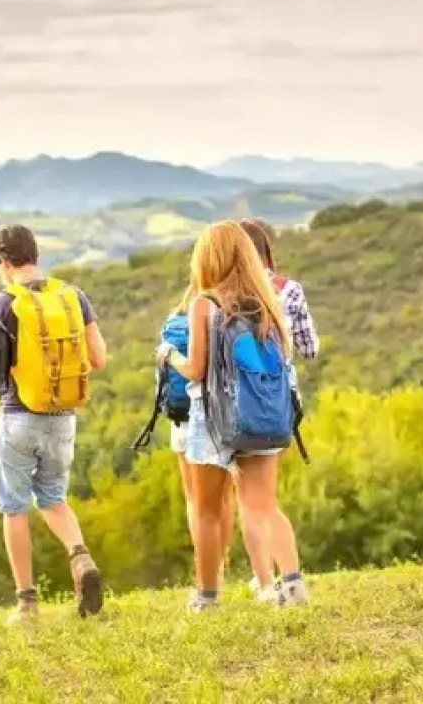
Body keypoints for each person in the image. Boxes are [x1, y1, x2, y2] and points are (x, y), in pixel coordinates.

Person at [170, 220, 293, 612]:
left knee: (207, 510)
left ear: (209, 258)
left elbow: (196, 370)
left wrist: (169, 356)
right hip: (263, 415)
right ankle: (291, 585)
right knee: (263, 506)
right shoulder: (265, 302)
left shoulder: (204, 304)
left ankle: (207, 596)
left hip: (213, 420)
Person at [0, 223, 108, 623]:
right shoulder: (73, 296)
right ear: (35, 253)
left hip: (18, 415)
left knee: (14, 508)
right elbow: (99, 358)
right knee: (54, 499)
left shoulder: (3, 304)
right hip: (63, 417)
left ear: (3, 261)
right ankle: (80, 555)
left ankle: (26, 603)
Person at [239, 219, 316, 605]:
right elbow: (310, 349)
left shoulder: (222, 295)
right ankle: (275, 581)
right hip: (281, 401)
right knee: (265, 493)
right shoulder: (289, 289)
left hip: (239, 405)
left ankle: (275, 580)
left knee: (252, 497)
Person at [155, 285, 236, 578]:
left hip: (181, 416)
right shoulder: (225, 314)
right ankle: (220, 563)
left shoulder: (176, 317)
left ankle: (208, 570)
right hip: (218, 415)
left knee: (194, 500)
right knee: (222, 497)